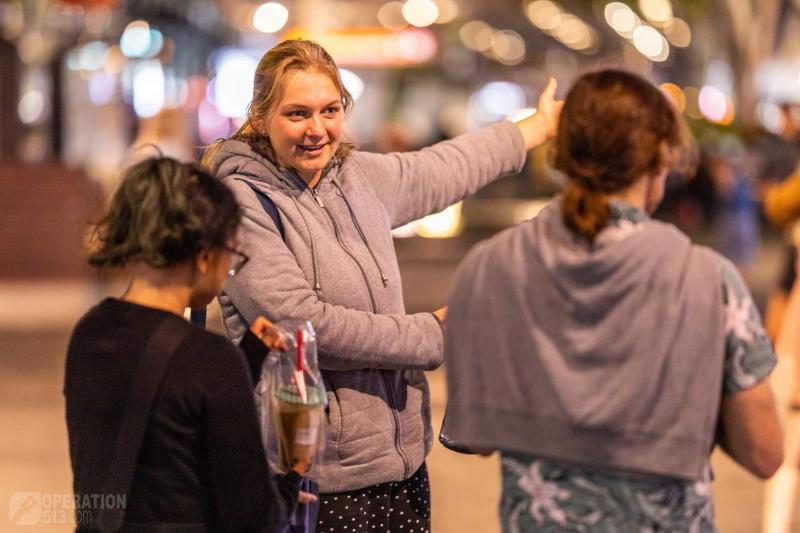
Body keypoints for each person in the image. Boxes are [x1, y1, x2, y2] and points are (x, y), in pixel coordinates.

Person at [203, 39, 561, 531]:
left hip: (402, 468)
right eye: (297, 114)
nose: (317, 129)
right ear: (261, 117)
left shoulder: (357, 177)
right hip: (313, 479)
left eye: (330, 110)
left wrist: (538, 127)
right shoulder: (242, 203)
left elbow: (446, 166)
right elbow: (302, 325)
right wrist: (433, 333)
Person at [441, 70, 784, 531]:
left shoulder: (489, 267)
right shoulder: (708, 280)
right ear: (661, 156)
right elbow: (764, 453)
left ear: (562, 155)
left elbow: (472, 435)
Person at [64, 157, 306, 532]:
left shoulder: (90, 332)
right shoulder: (209, 360)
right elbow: (256, 518)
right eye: (232, 254)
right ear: (206, 257)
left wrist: (249, 356)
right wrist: (291, 480)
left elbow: (160, 413)